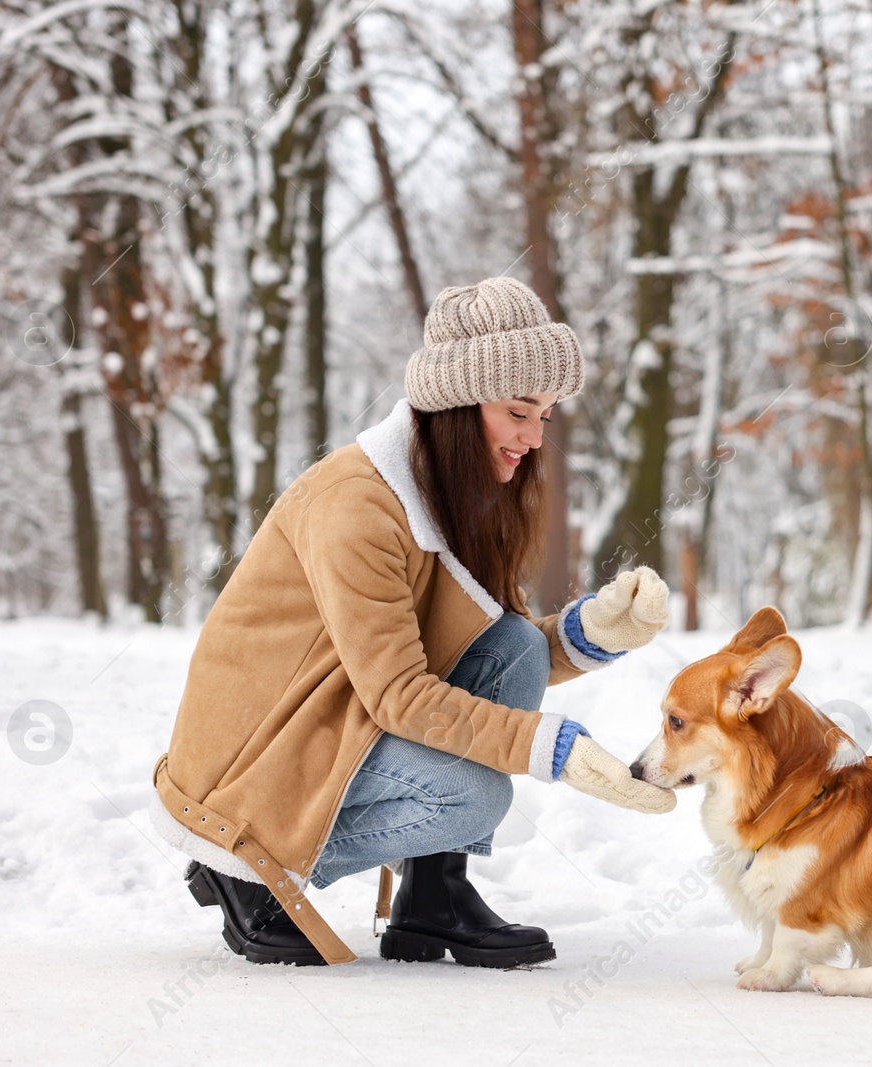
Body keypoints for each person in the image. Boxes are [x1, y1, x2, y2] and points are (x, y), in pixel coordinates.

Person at [150, 277, 676, 969]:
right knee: (474, 793)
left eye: (546, 415)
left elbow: (490, 652)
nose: (533, 437)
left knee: (513, 643)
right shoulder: (358, 505)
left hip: (338, 717)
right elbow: (400, 694)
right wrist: (558, 750)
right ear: (458, 402)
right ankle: (250, 863)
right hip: (256, 756)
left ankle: (432, 895)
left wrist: (598, 633)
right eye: (520, 410)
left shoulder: (455, 492)